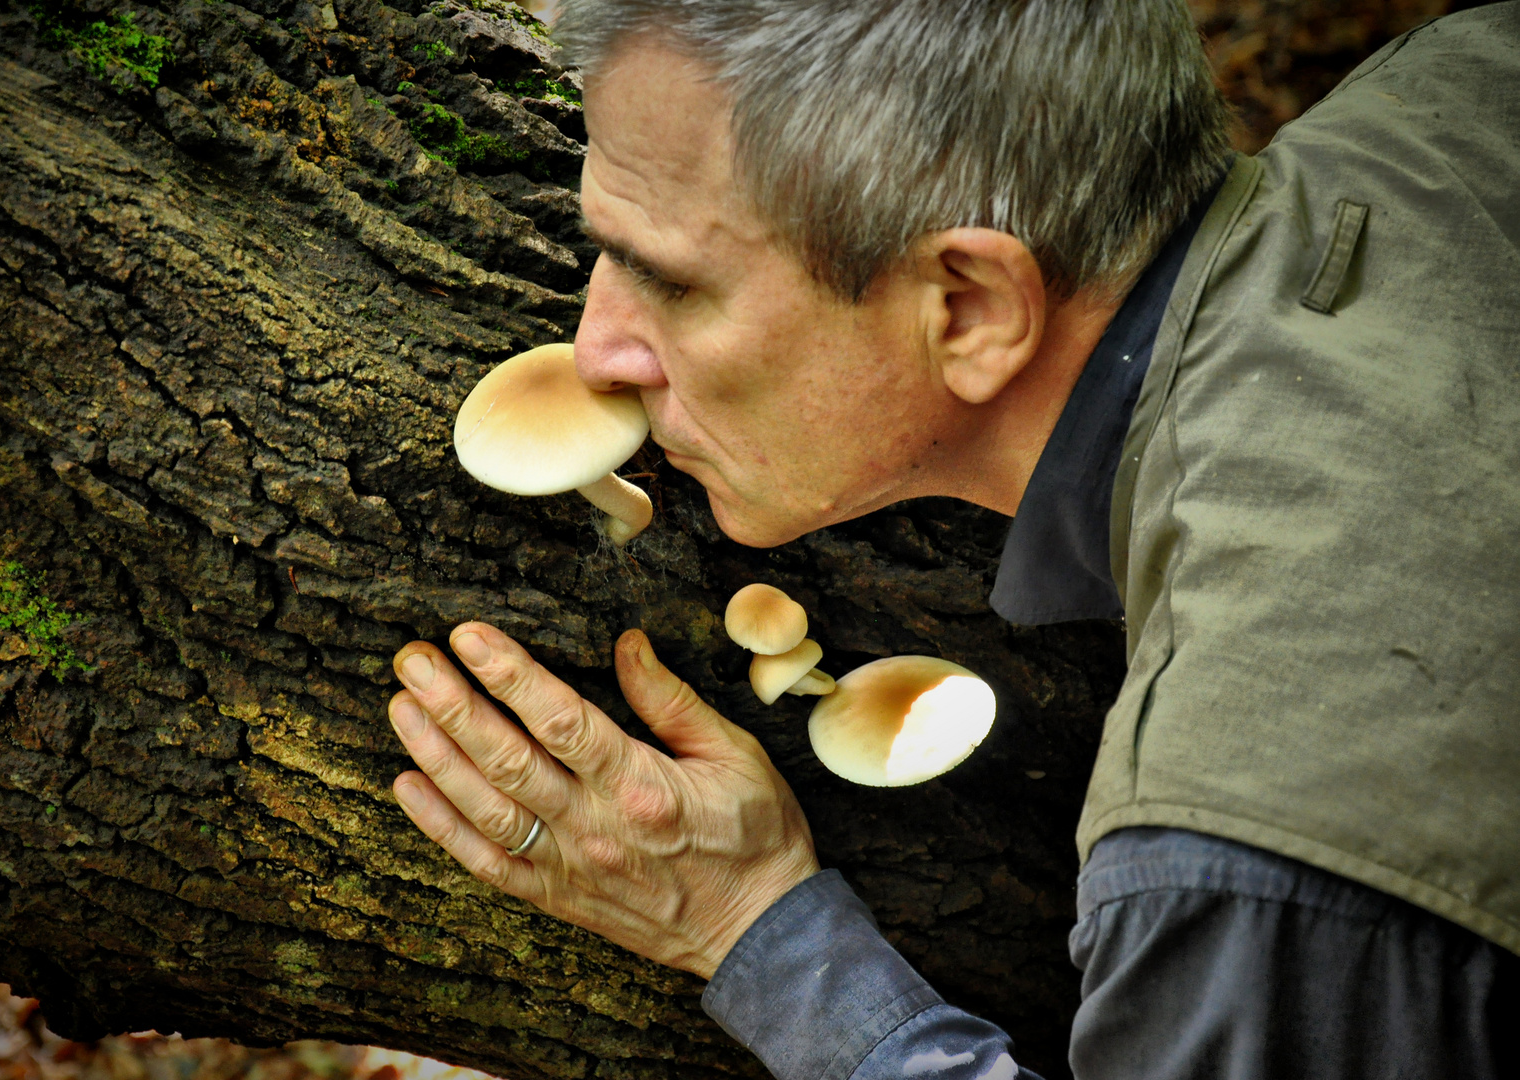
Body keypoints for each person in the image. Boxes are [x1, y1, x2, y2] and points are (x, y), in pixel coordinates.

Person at [382, 1, 1520, 1076]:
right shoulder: (1469, 75)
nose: (596, 352)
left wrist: (758, 934)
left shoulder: (1243, 875)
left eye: (673, 285)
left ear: (969, 309)